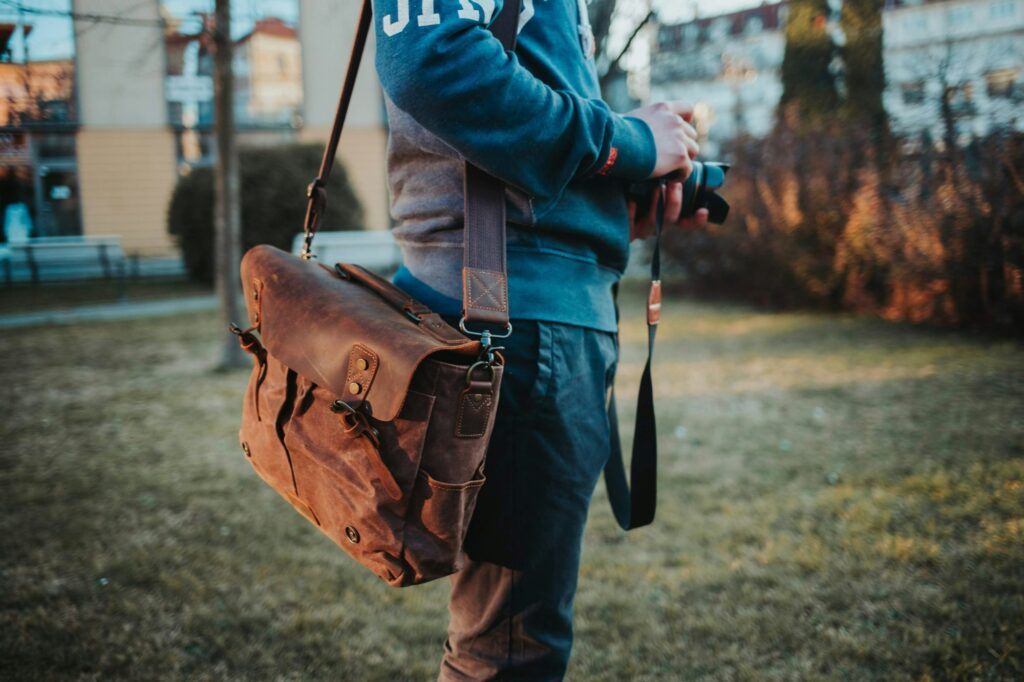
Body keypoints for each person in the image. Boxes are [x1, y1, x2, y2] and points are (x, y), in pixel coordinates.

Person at [372, 0, 707, 678]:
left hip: (527, 315)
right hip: (508, 321)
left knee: (507, 640)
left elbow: (523, 134)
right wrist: (631, 144)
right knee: (509, 652)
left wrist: (618, 196)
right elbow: (430, 63)